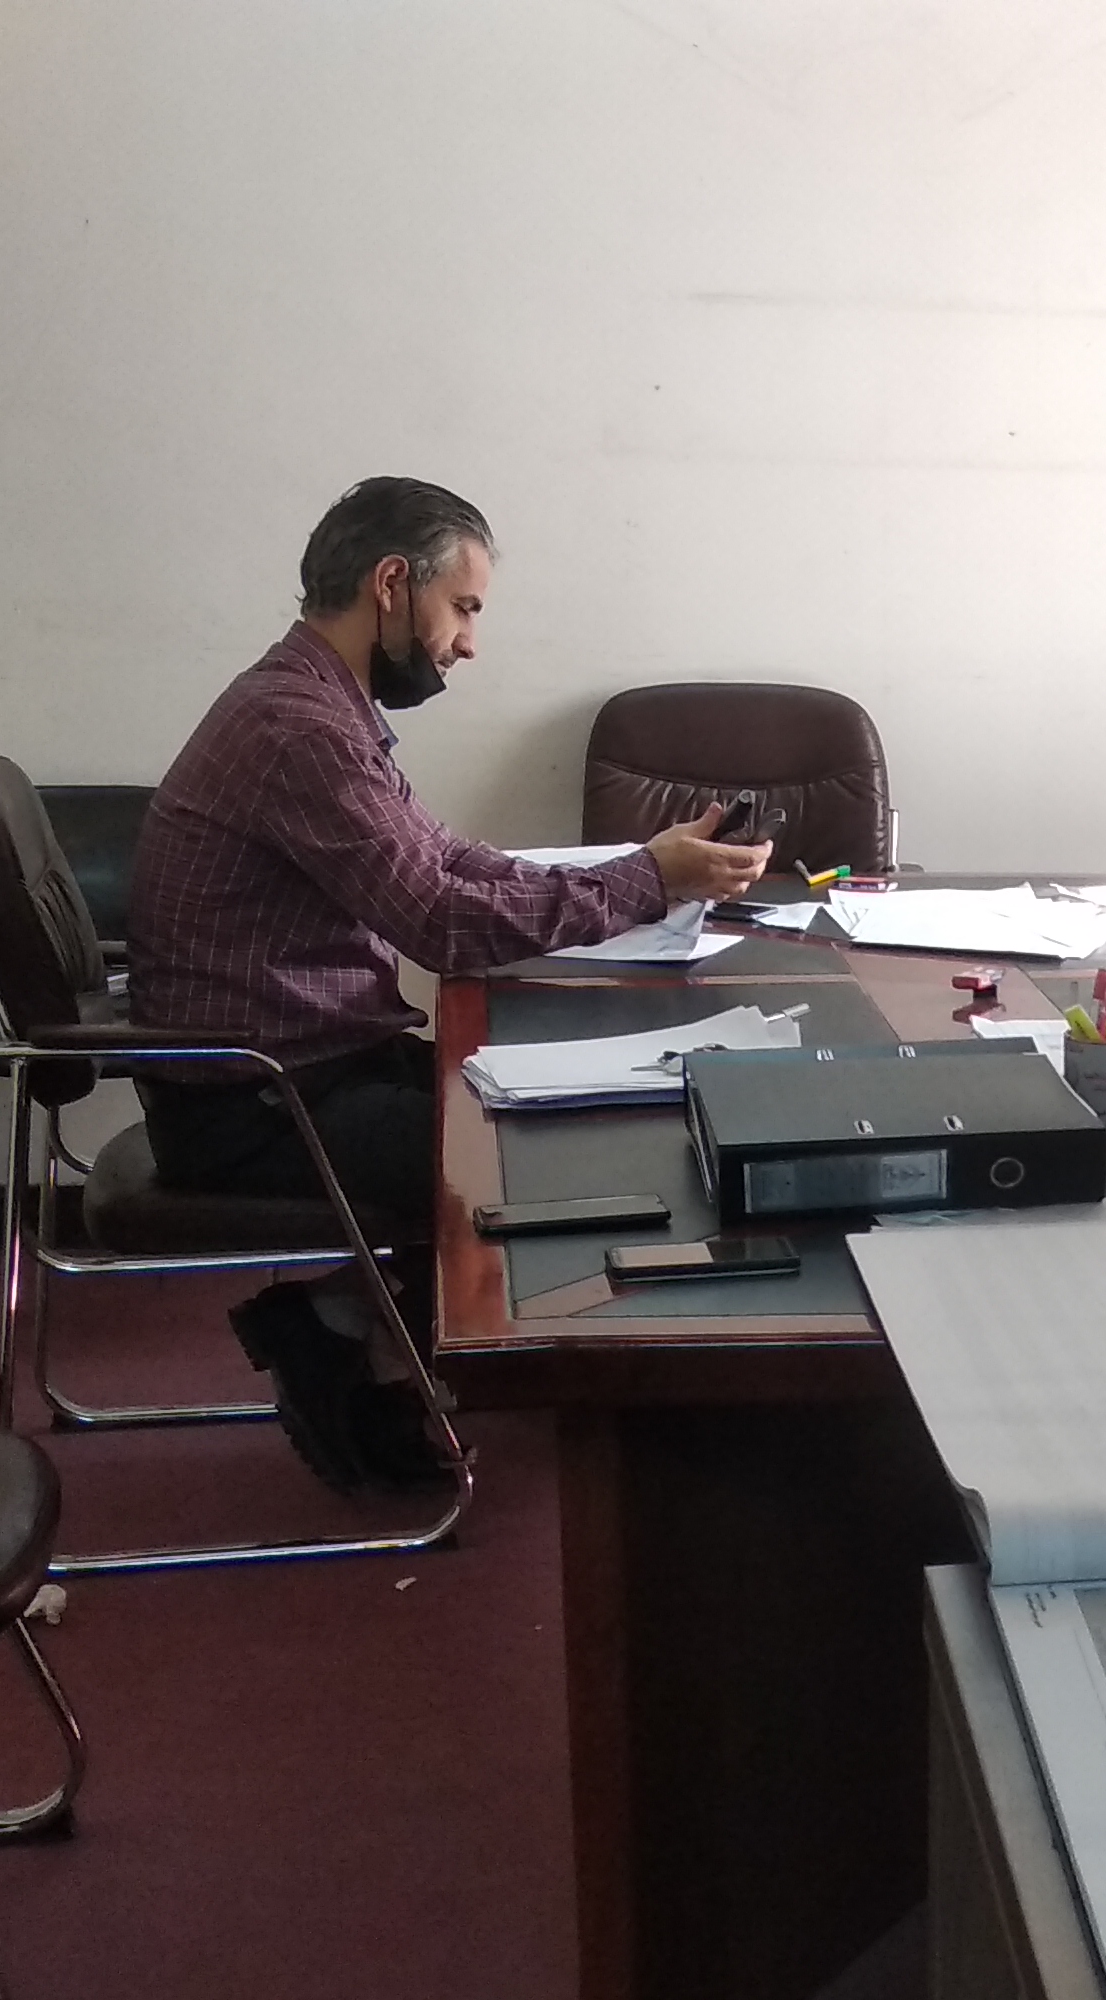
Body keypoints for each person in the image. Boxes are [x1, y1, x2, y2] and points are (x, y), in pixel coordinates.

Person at [126, 476, 772, 1492]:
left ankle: (352, 1321)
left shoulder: (313, 702)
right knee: (547, 1151)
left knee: (549, 1115)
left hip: (300, 1069)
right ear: (392, 584)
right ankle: (350, 1333)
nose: (468, 643)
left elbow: (446, 861)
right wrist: (651, 881)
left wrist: (636, 869)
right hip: (256, 1106)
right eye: (462, 608)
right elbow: (444, 925)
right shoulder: (300, 730)